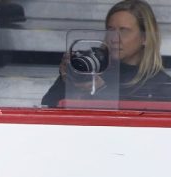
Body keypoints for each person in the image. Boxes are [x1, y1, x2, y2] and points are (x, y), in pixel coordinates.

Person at [41, 0, 171, 107]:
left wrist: (101, 91)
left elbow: (140, 127)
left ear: (145, 37)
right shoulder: (90, 65)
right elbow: (47, 107)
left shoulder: (160, 83)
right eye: (111, 30)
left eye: (124, 31)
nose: (114, 38)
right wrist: (67, 80)